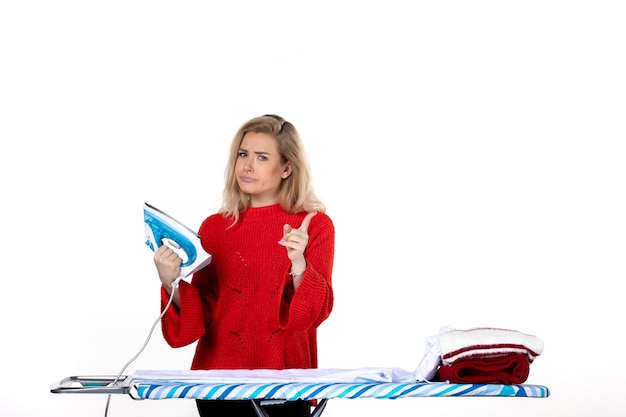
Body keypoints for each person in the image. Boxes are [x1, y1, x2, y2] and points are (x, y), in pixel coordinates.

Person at [153, 114, 335, 417]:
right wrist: (171, 282)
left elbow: (309, 317)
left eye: (262, 157)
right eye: (243, 154)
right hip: (218, 385)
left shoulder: (315, 226)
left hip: (286, 383)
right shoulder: (213, 228)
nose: (247, 166)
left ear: (287, 167)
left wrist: (299, 263)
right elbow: (199, 318)